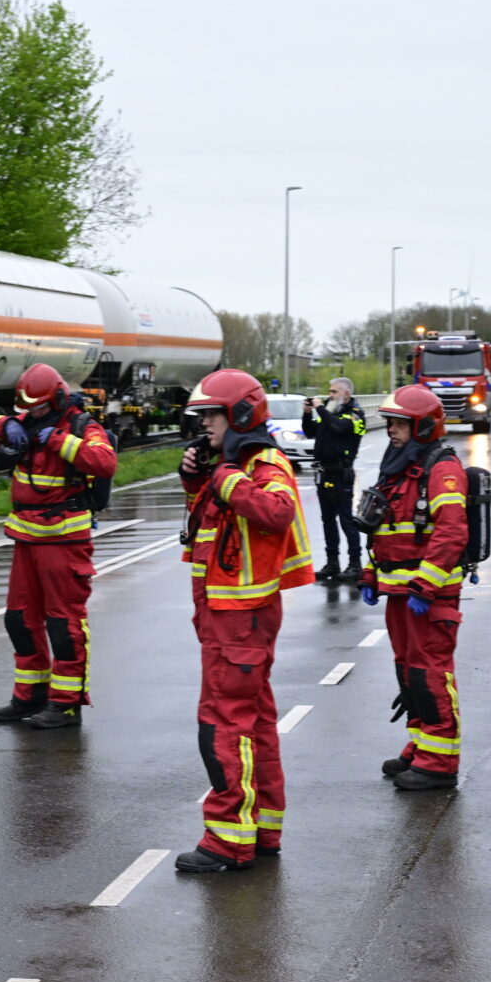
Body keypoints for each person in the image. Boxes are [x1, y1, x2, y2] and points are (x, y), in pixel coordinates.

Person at [175, 369, 313, 872]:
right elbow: (213, 526)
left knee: (225, 724)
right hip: (227, 613)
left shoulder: (263, 463)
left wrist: (226, 478)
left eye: (211, 415)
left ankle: (228, 840)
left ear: (237, 415)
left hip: (241, 616)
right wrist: (197, 479)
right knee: (254, 724)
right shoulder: (232, 463)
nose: (205, 425)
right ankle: (261, 831)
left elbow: (275, 511)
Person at [0, 363, 117, 729]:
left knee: (63, 624)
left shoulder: (81, 427)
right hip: (26, 538)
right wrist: (4, 425)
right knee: (19, 621)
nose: (31, 415)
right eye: (26, 410)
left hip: (64, 540)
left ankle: (66, 704)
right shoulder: (25, 421)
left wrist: (58, 440)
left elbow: (105, 462)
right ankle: (29, 697)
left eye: (38, 408)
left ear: (54, 400)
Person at [357, 385, 467, 792]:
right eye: (389, 422)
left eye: (400, 423)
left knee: (430, 674)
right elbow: (383, 527)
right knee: (409, 673)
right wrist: (371, 575)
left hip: (428, 598)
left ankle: (439, 762)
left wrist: (425, 585)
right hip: (401, 594)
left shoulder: (442, 469)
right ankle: (421, 745)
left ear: (422, 426)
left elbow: (452, 532)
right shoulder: (399, 466)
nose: (391, 429)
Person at [301, 376, 367, 581]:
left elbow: (339, 427)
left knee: (346, 520)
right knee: (327, 520)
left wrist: (320, 409)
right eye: (329, 391)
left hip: (342, 474)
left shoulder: (356, 415)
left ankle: (355, 564)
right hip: (324, 473)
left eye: (334, 392)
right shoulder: (329, 412)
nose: (330, 395)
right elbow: (310, 431)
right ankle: (332, 563)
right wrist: (307, 413)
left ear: (346, 394)